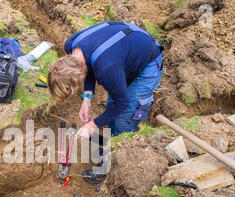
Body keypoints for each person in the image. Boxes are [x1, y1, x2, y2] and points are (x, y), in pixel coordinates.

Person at [47, 20, 164, 183]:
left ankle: (112, 164)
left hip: (147, 62)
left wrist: (91, 125)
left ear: (78, 76)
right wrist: (87, 98)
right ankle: (111, 142)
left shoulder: (106, 69)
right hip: (125, 50)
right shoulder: (72, 46)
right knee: (112, 108)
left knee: (124, 117)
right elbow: (88, 66)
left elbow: (121, 103)